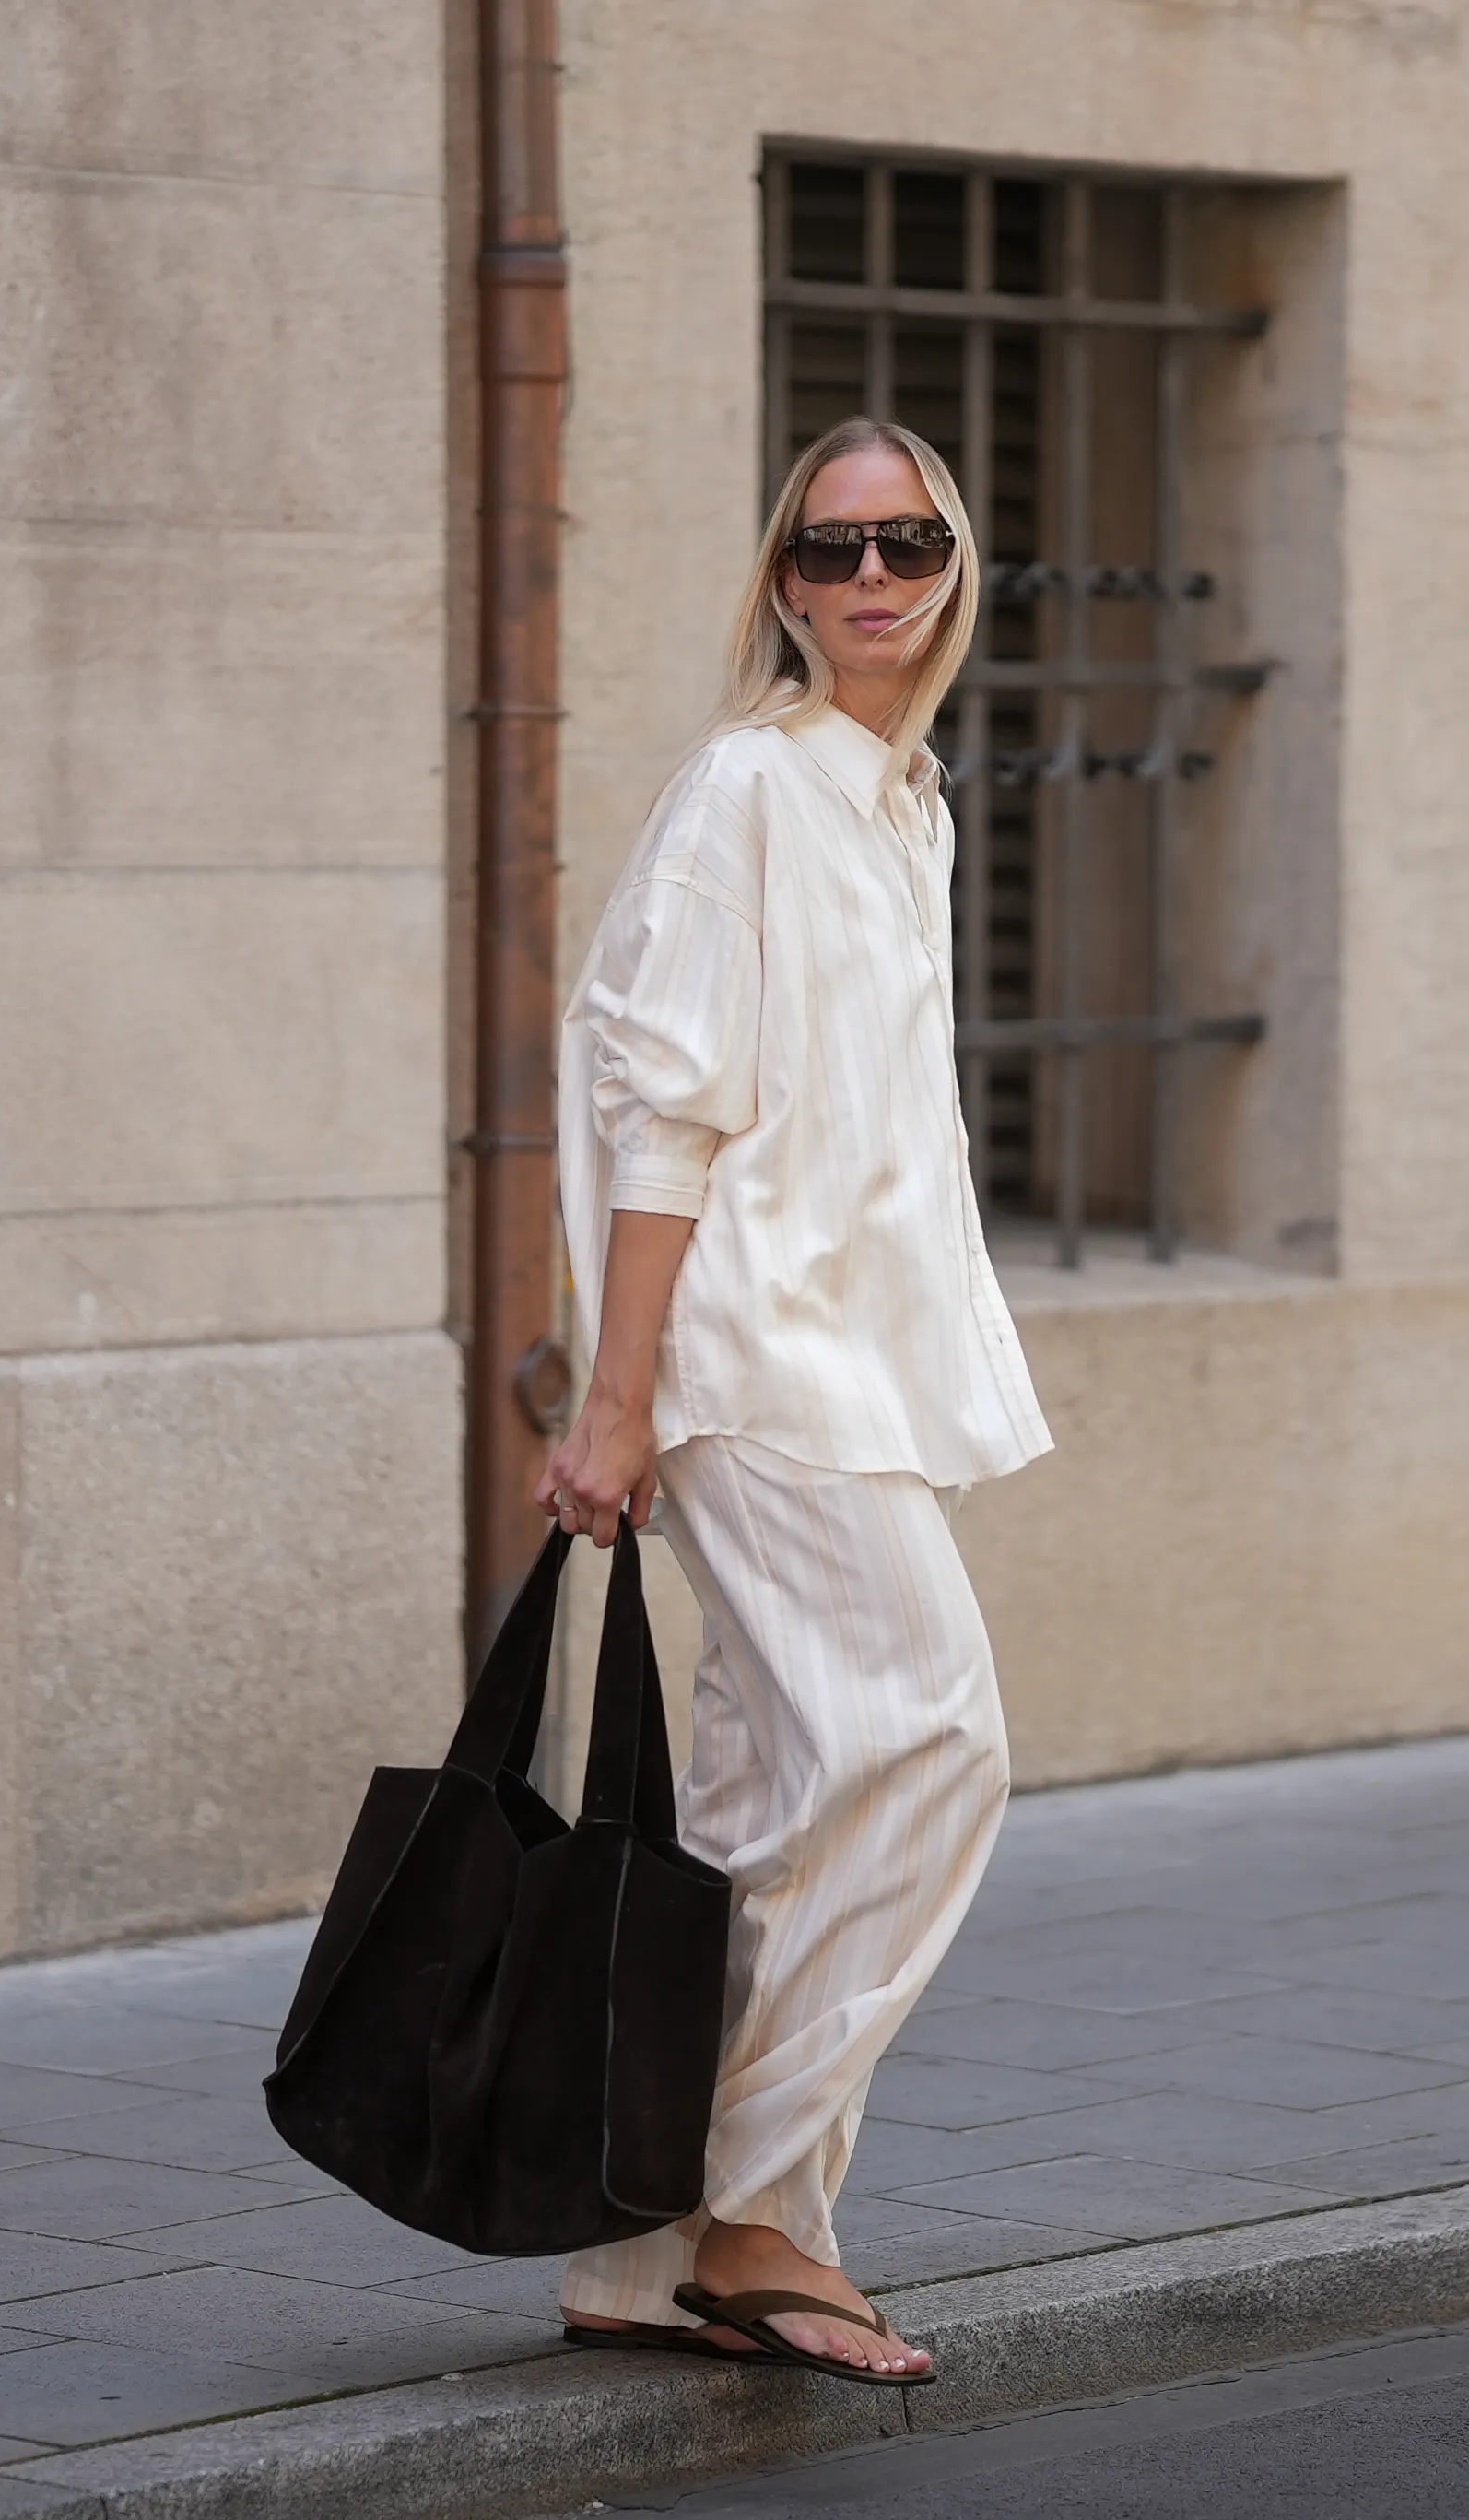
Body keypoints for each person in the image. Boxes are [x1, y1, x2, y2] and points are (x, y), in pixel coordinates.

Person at [535, 418, 1052, 2384]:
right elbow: (662, 1113)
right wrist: (615, 1398)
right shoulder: (744, 790)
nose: (868, 580)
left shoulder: (896, 805)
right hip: (752, 1367)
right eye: (829, 551)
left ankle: (636, 2250)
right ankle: (751, 2211)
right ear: (780, 581)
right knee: (933, 1738)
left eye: (904, 542)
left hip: (853, 1365)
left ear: (951, 564)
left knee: (759, 1809)